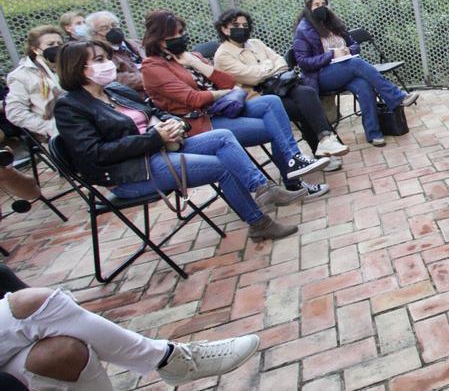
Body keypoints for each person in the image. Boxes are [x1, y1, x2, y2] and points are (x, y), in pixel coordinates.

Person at [53, 40, 301, 241]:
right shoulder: (70, 107)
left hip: (159, 149)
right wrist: (153, 137)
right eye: (98, 60)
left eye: (106, 58)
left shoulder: (116, 91)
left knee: (223, 139)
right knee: (222, 166)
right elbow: (95, 153)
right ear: (76, 67)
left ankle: (264, 189)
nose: (107, 64)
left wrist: (176, 124)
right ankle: (259, 223)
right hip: (130, 173)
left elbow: (157, 112)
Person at [140, 10, 329, 199]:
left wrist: (194, 63)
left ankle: (293, 161)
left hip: (222, 108)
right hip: (201, 122)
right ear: (158, 39)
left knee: (272, 102)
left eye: (181, 33)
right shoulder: (153, 67)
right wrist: (223, 93)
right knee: (276, 127)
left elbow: (227, 82)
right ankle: (293, 181)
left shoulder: (191, 56)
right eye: (173, 36)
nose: (179, 38)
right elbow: (193, 99)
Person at [1, 267, 259, 388]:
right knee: (33, 303)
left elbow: (30, 191)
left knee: (63, 352)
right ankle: (169, 358)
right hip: (125, 172)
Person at [212, 9, 349, 166]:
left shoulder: (256, 43)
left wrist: (265, 68)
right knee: (303, 107)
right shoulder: (223, 55)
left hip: (279, 88)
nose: (241, 28)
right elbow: (252, 77)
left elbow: (281, 63)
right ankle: (320, 150)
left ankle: (325, 140)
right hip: (257, 100)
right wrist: (268, 65)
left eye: (245, 25)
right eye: (235, 25)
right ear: (224, 28)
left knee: (307, 93)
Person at [292, 0, 417, 148]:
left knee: (364, 86)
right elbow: (304, 63)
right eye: (316, 5)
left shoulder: (333, 22)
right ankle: (397, 97)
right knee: (356, 64)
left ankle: (373, 133)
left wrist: (348, 50)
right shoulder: (303, 30)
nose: (321, 7)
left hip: (344, 68)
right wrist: (331, 54)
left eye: (323, 4)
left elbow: (354, 44)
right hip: (321, 76)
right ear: (309, 8)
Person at [4, 26, 65, 140]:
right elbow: (15, 112)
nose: (56, 47)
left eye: (59, 43)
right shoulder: (21, 75)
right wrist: (50, 128)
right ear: (35, 49)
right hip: (56, 132)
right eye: (50, 44)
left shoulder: (70, 66)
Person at [86, 11, 145, 92]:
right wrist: (152, 79)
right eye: (105, 28)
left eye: (114, 25)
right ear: (94, 34)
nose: (113, 30)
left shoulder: (136, 43)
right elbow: (115, 79)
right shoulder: (100, 56)